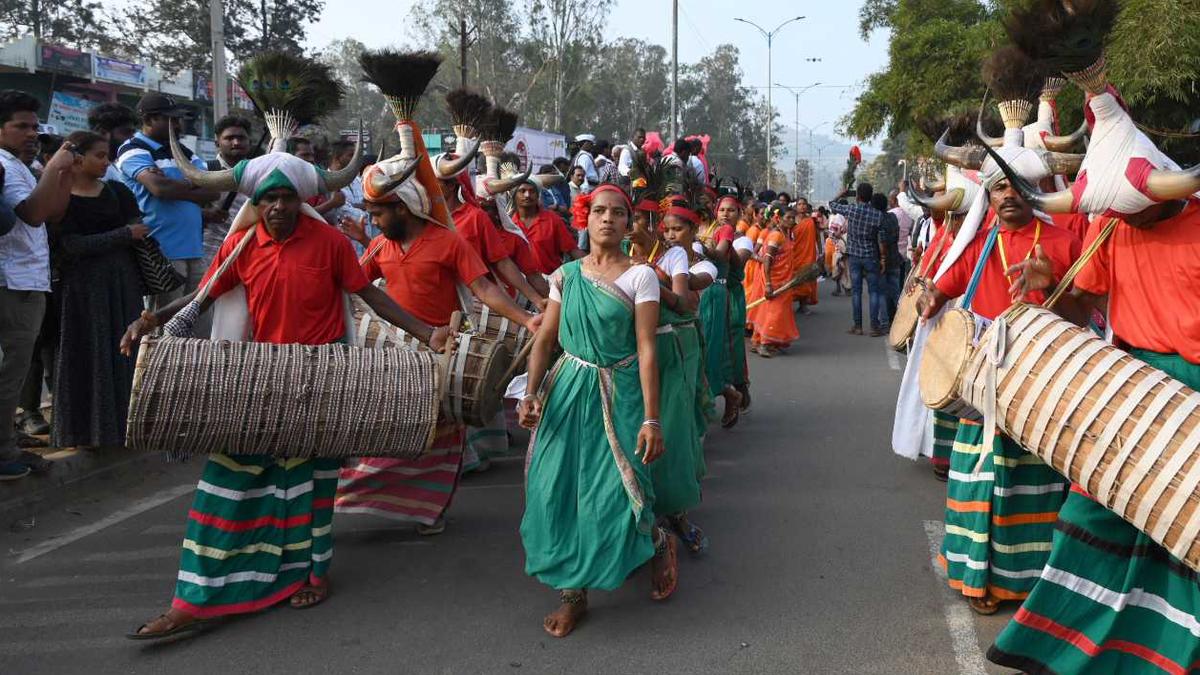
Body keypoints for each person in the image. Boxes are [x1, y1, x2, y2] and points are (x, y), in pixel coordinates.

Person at [121, 150, 445, 638]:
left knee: (312, 487)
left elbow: (369, 295)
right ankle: (192, 599)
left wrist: (427, 333)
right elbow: (202, 294)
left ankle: (312, 574)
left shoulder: (332, 243)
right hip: (257, 384)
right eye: (267, 197)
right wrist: (150, 318)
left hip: (320, 381)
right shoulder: (243, 246)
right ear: (256, 201)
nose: (276, 206)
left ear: (302, 200)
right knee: (223, 486)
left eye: (285, 197)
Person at [989, 197, 1200, 675]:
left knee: (1188, 539)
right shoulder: (1109, 225)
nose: (1126, 213)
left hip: (1192, 397)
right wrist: (1050, 288)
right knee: (1087, 516)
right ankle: (1067, 650)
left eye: (1134, 205)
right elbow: (1080, 311)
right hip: (1127, 390)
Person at [335, 162, 540, 530]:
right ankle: (363, 497)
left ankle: (426, 509)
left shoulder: (449, 241)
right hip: (394, 356)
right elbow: (354, 287)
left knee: (438, 440)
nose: (373, 223)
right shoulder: (380, 246)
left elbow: (485, 289)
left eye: (378, 213)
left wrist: (526, 319)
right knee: (392, 432)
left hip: (442, 357)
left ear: (402, 208)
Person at [918, 172, 1080, 616]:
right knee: (979, 480)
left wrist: (1049, 288)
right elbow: (941, 289)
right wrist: (928, 299)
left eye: (1016, 185)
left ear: (1036, 189)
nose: (1008, 195)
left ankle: (1033, 584)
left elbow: (1089, 314)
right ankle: (977, 579)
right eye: (998, 188)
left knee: (1039, 486)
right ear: (988, 198)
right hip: (982, 385)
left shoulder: (1066, 242)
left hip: (1045, 383)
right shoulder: (978, 246)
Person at [518, 184, 676, 638]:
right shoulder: (565, 275)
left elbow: (647, 348)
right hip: (567, 392)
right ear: (584, 220)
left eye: (618, 213)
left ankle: (655, 540)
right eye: (599, 211)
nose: (608, 219)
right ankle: (573, 594)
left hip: (620, 391)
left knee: (616, 493)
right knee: (557, 490)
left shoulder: (641, 276)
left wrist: (651, 418)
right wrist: (531, 394)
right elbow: (545, 340)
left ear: (629, 224)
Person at [45, 131, 146, 450]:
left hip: (121, 284)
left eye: (107, 156)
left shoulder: (118, 191)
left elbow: (140, 231)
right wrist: (122, 235)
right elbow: (69, 246)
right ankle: (83, 432)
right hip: (81, 290)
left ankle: (123, 429)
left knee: (123, 353)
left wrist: (124, 236)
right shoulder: (62, 198)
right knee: (84, 355)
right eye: (99, 156)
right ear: (77, 158)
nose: (106, 162)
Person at [0, 90, 73, 479]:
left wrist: (60, 172)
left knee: (13, 370)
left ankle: (7, 443)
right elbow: (30, 214)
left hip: (30, 279)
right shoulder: (4, 164)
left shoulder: (19, 165)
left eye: (34, 126)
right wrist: (53, 169)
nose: (31, 133)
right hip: (12, 282)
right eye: (21, 126)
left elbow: (54, 212)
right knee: (9, 371)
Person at [116, 92, 218, 310]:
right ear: (151, 119)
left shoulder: (184, 152)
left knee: (194, 321)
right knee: (161, 326)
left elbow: (213, 190)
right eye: (171, 119)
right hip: (161, 252)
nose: (178, 124)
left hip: (193, 249)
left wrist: (176, 186)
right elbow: (159, 188)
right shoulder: (133, 149)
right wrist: (192, 182)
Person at [695, 197, 743, 427]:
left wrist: (699, 247)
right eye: (721, 210)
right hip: (688, 293)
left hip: (713, 294)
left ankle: (727, 394)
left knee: (709, 353)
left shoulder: (723, 231)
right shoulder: (691, 227)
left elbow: (721, 254)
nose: (725, 214)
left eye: (730, 210)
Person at [829, 183, 885, 336]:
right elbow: (881, 239)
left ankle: (858, 326)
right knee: (873, 291)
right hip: (871, 256)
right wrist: (883, 259)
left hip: (854, 256)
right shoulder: (878, 215)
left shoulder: (851, 210)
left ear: (857, 196)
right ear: (870, 196)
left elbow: (832, 205)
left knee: (856, 292)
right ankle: (874, 326)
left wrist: (843, 194)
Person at [749, 205, 800, 358]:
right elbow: (767, 260)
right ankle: (764, 343)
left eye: (793, 218)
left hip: (785, 281)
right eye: (788, 218)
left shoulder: (788, 234)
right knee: (773, 312)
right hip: (774, 280)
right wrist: (769, 283)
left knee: (773, 312)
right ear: (779, 219)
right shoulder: (776, 236)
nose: (791, 221)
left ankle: (759, 341)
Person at [512, 180, 582, 275]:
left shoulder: (553, 220)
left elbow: (572, 250)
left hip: (551, 281)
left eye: (532, 191)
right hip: (521, 284)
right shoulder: (508, 224)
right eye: (522, 191)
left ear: (538, 196)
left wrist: (595, 269)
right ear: (514, 195)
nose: (527, 195)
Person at [87, 102, 138, 184]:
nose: (132, 139)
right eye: (126, 133)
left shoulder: (119, 166)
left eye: (133, 133)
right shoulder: (90, 169)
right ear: (102, 133)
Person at [873, 192, 902, 327]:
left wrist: (882, 258)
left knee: (882, 293)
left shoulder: (877, 219)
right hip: (895, 258)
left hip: (882, 261)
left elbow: (881, 241)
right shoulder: (893, 217)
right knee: (896, 293)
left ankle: (884, 322)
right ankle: (901, 322)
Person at [789, 201, 820, 312]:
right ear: (796, 206)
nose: (802, 206)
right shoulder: (790, 220)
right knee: (792, 279)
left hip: (808, 254)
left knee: (806, 278)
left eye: (804, 204)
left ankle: (803, 305)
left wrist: (820, 252)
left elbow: (817, 237)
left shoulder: (811, 221)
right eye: (799, 204)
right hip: (793, 254)